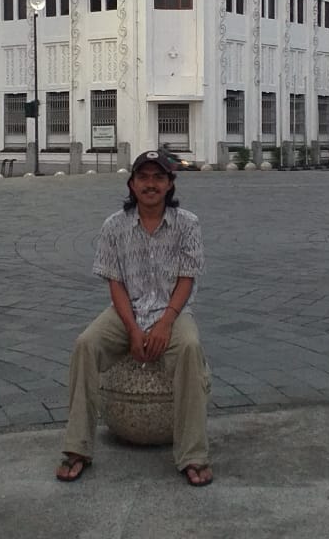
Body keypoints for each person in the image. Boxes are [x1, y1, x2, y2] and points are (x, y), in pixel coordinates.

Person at [56, 150, 213, 488]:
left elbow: (187, 278)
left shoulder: (188, 223)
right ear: (132, 184)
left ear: (170, 184)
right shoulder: (114, 226)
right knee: (85, 345)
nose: (150, 184)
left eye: (158, 178)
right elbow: (115, 283)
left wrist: (165, 323)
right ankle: (77, 447)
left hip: (172, 310)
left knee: (190, 348)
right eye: (143, 177)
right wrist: (131, 329)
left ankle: (193, 455)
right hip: (127, 309)